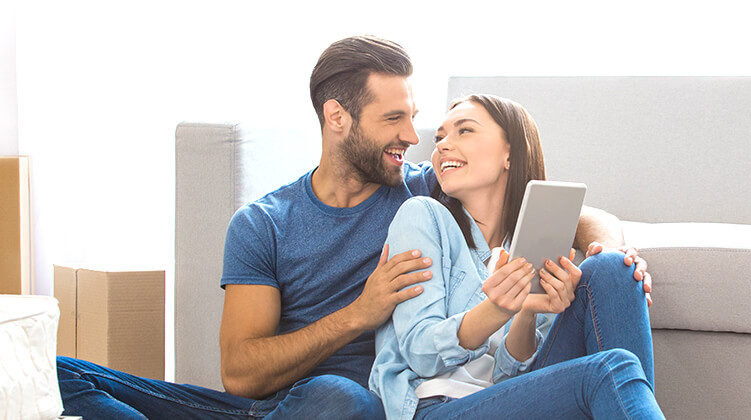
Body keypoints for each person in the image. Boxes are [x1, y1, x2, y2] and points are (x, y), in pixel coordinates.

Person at [56, 36, 651, 419]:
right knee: (338, 400)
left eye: (419, 120)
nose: (416, 137)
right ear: (337, 118)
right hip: (308, 403)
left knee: (353, 403)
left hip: (378, 403)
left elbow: (561, 209)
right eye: (395, 119)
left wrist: (610, 250)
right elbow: (240, 372)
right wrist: (359, 315)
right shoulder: (265, 224)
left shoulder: (424, 188)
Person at [370, 94, 664, 419]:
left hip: (508, 401)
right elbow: (420, 352)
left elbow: (513, 379)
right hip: (436, 407)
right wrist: (495, 310)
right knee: (612, 368)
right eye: (440, 137)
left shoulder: (534, 243)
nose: (442, 146)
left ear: (509, 152)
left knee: (613, 267)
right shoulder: (422, 216)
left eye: (464, 131)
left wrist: (524, 314)